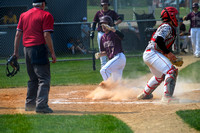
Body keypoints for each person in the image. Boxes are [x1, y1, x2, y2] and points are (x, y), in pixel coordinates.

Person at [13, 0, 56, 113]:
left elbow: (18, 34)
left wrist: (16, 52)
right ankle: (41, 106)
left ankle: (30, 104)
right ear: (43, 4)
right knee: (44, 78)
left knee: (33, 79)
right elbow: (46, 35)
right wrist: (52, 52)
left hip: (26, 49)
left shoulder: (24, 15)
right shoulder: (46, 15)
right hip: (38, 49)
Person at [137, 7, 180, 103]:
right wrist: (168, 53)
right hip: (152, 53)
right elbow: (159, 40)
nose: (177, 18)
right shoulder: (167, 26)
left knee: (159, 76)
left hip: (150, 54)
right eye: (175, 15)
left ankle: (145, 94)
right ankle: (167, 97)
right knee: (171, 71)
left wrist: (170, 56)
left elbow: (162, 45)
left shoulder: (167, 26)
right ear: (171, 16)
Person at [90, 0, 123, 68]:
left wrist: (114, 24)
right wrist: (92, 31)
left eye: (106, 4)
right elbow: (94, 22)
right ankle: (103, 65)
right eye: (104, 4)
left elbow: (120, 19)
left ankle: (110, 63)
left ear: (108, 4)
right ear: (102, 5)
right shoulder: (98, 13)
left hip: (110, 33)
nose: (105, 5)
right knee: (101, 49)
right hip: (101, 33)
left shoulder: (112, 12)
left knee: (111, 47)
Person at [95, 15, 126, 86]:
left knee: (104, 70)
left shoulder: (113, 34)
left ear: (109, 24)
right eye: (102, 24)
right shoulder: (102, 38)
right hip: (115, 60)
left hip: (119, 57)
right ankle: (134, 91)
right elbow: (106, 52)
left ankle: (110, 88)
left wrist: (112, 29)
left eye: (105, 24)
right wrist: (100, 54)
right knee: (117, 84)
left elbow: (122, 36)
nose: (103, 26)